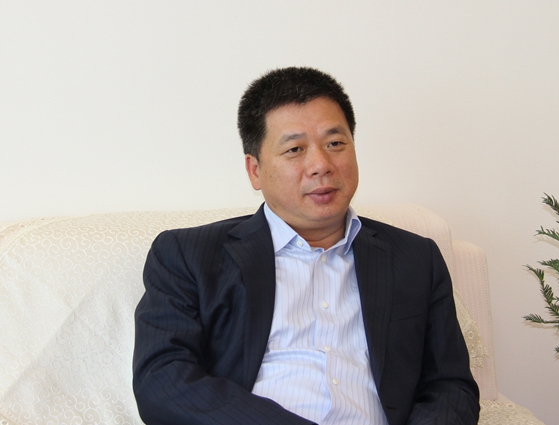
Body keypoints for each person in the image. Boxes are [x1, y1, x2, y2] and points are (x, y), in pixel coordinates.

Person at [133, 67, 479, 425]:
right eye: (295, 149)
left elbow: (450, 387)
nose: (321, 165)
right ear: (255, 170)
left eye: (335, 144)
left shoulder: (416, 258)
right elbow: (163, 380)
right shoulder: (188, 255)